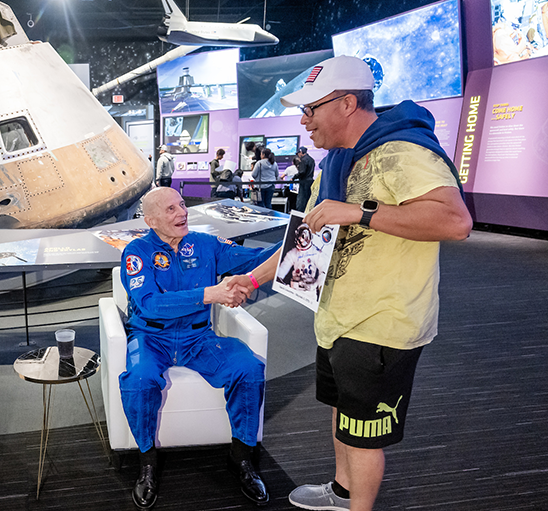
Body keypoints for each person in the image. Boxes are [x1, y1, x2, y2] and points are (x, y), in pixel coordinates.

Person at [228, 55, 472, 511]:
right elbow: (307, 238)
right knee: (345, 417)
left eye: (311, 110)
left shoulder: (402, 150)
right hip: (338, 317)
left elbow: (455, 220)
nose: (304, 122)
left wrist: (361, 212)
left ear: (345, 104)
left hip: (382, 323)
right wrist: (250, 279)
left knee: (363, 437)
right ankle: (342, 492)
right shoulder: (336, 161)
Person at [119, 187, 280, 508]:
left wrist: (296, 239)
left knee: (248, 368)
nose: (182, 212)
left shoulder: (205, 245)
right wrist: (210, 293)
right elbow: (149, 304)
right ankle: (147, 461)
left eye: (182, 205)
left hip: (198, 338)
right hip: (151, 338)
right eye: (170, 209)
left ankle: (242, 457)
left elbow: (256, 260)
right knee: (139, 379)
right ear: (150, 220)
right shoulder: (136, 253)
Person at [293, 146, 315, 213]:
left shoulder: (303, 160)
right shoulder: (311, 159)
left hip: (304, 182)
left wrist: (294, 177)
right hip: (310, 181)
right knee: (308, 200)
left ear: (301, 152)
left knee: (301, 201)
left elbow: (302, 172)